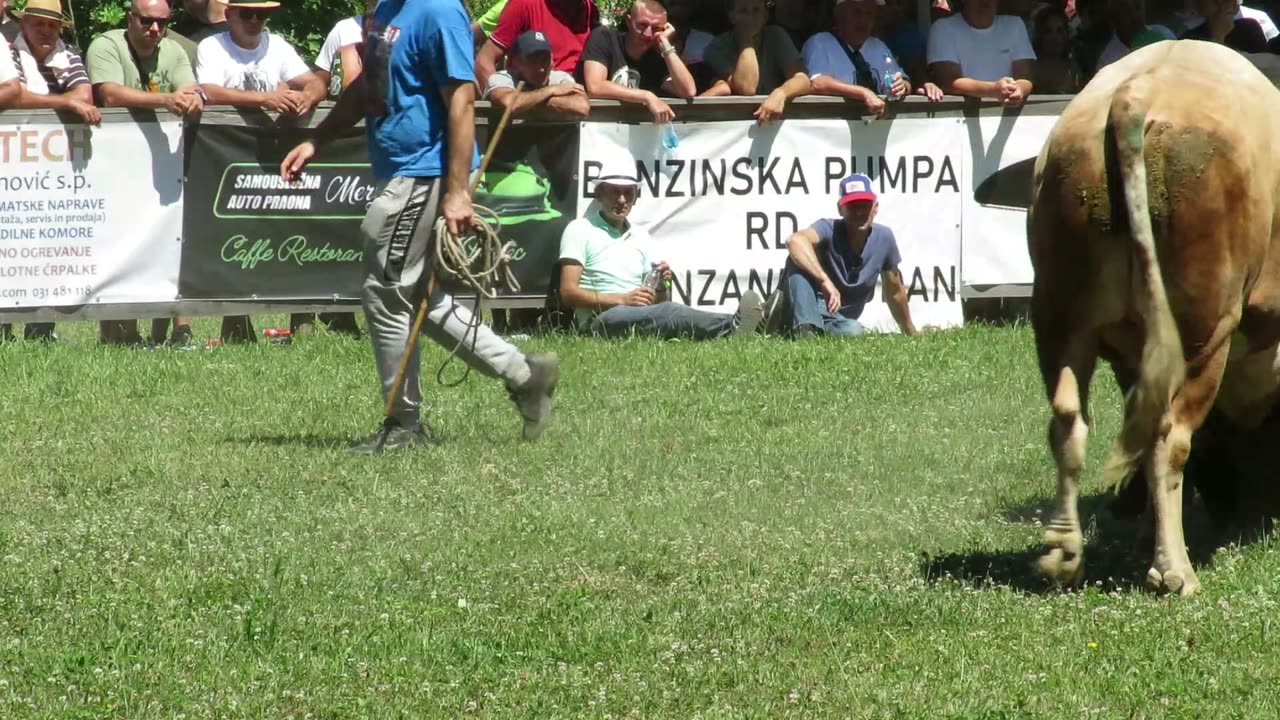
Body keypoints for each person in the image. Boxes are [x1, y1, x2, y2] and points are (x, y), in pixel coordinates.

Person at [279, 0, 560, 454]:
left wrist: (456, 192)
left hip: (422, 174)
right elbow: (366, 88)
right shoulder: (388, 9)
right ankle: (525, 376)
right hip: (399, 170)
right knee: (414, 297)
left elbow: (463, 101)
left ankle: (402, 424)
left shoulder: (438, 11)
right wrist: (316, 139)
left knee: (385, 291)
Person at [196, 0, 326, 343]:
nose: (255, 20)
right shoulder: (212, 46)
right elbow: (208, 90)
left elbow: (313, 81)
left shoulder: (278, 45)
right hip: (228, 157)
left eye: (262, 14)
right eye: (247, 13)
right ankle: (236, 325)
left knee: (295, 233)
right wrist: (267, 99)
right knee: (234, 237)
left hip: (277, 158)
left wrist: (306, 98)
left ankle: (303, 326)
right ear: (229, 15)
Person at [86, 0, 204, 347]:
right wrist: (166, 101)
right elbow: (108, 94)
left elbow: (189, 88)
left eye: (162, 23)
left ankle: (180, 329)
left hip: (164, 165)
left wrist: (194, 98)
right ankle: (120, 332)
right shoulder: (106, 45)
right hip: (115, 167)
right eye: (148, 21)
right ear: (131, 18)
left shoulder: (174, 50)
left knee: (174, 239)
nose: (155, 30)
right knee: (123, 246)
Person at [557, 152, 766, 340]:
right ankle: (737, 326)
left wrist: (662, 284)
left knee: (667, 312)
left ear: (636, 196)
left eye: (628, 192)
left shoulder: (641, 236)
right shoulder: (579, 229)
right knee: (669, 313)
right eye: (614, 192)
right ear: (599, 193)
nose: (622, 200)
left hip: (638, 314)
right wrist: (622, 299)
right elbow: (567, 292)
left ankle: (746, 326)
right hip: (598, 320)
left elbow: (658, 302)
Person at [0, 0, 99, 344]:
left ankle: (42, 329)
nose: (45, 31)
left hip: (53, 174)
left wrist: (69, 98)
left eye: (52, 26)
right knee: (8, 245)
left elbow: (84, 93)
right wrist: (64, 102)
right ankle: (4, 328)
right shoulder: (9, 49)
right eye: (38, 24)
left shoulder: (67, 54)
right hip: (11, 169)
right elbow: (14, 97)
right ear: (23, 23)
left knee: (50, 249)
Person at [771, 173, 917, 337]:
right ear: (841, 209)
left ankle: (775, 324)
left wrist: (910, 332)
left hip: (836, 318)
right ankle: (804, 330)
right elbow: (794, 241)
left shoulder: (884, 238)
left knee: (854, 332)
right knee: (797, 261)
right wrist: (824, 279)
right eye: (853, 206)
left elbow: (894, 291)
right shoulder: (828, 228)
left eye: (865, 205)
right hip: (808, 304)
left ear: (875, 207)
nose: (860, 212)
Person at [802, 0, 942, 116]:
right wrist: (863, 93)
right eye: (856, 12)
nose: (863, 20)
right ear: (839, 13)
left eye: (869, 13)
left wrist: (903, 86)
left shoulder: (878, 46)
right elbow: (817, 82)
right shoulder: (820, 43)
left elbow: (905, 81)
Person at [578, 0, 696, 122]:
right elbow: (595, 87)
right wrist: (646, 96)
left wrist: (665, 44)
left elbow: (688, 91)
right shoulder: (604, 37)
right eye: (642, 25)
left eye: (656, 28)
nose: (648, 34)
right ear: (629, 22)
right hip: (594, 127)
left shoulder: (656, 58)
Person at [702, 0, 812, 125]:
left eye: (756, 10)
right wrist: (747, 40)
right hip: (734, 123)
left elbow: (803, 79)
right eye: (743, 11)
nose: (750, 17)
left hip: (773, 120)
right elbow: (746, 88)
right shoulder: (717, 48)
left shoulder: (776, 35)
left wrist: (781, 93)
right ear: (732, 16)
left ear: (765, 16)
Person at [926, 0, 1036, 107]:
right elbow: (948, 82)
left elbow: (1025, 77)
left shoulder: (1015, 25)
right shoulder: (943, 27)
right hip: (960, 115)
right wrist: (993, 90)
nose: (984, 1)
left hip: (1009, 115)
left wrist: (1018, 90)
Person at [475, 0, 600, 91]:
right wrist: (500, 96)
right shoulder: (525, 4)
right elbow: (484, 61)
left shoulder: (589, 9)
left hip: (577, 106)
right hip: (533, 111)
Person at [484, 29, 589, 118]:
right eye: (533, 60)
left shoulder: (561, 78)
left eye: (545, 60)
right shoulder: (502, 78)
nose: (541, 69)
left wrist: (530, 101)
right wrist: (551, 90)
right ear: (516, 62)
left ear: (552, 60)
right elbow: (510, 103)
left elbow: (582, 106)